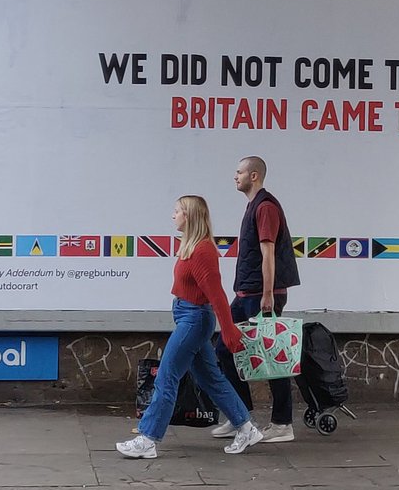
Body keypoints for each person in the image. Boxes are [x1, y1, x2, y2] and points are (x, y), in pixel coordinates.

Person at [116, 196, 264, 459]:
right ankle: (246, 427)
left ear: (191, 216)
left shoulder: (203, 251)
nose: (173, 215)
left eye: (177, 211)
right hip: (188, 314)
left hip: (194, 320)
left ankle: (148, 439)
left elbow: (217, 293)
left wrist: (228, 330)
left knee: (166, 376)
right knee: (210, 378)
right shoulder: (191, 245)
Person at [214, 155, 300, 443]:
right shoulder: (254, 206)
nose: (234, 176)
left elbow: (268, 254)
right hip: (246, 293)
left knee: (272, 357)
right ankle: (241, 417)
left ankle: (282, 424)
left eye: (239, 172)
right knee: (225, 348)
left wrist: (267, 294)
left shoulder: (264, 208)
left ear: (254, 176)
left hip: (262, 295)